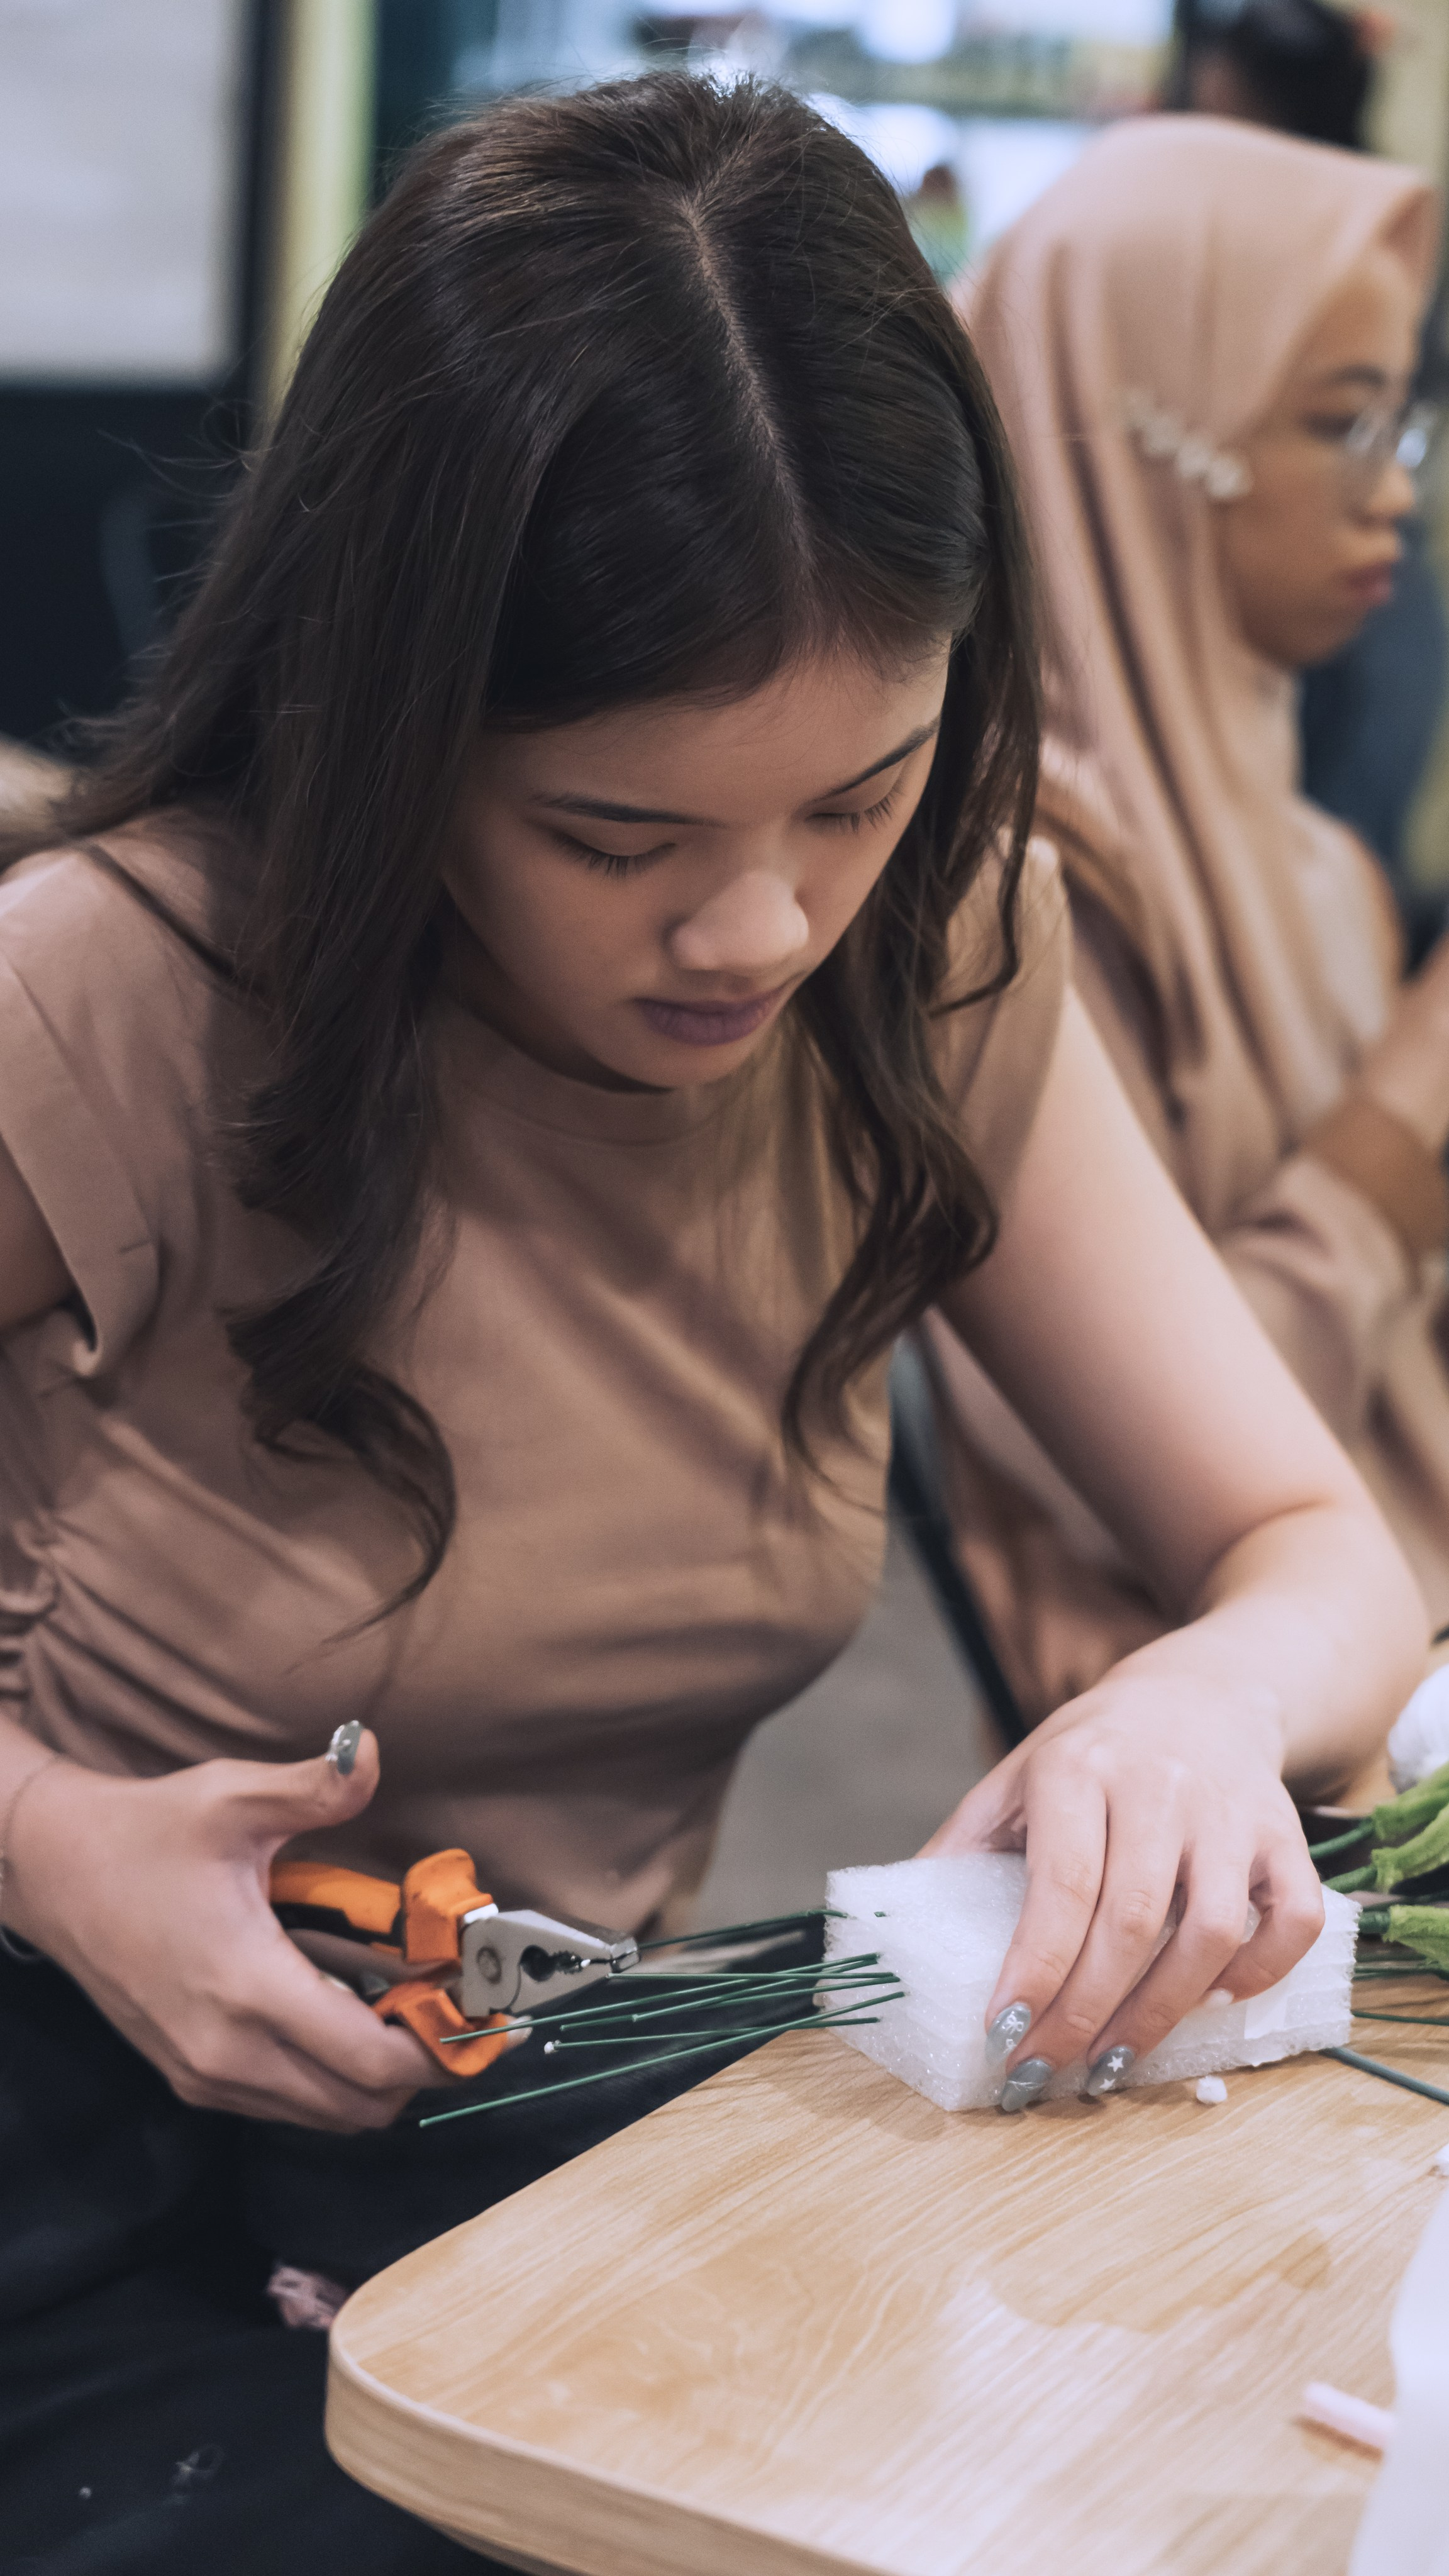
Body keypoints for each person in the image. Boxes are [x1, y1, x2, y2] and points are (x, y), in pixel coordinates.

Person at [0, 74, 1424, 2575]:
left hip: (539, 2113)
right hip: (73, 2167)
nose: (760, 932)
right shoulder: (116, 990)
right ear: (393, 725)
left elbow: (1318, 1545)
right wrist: (61, 1849)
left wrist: (1188, 1706)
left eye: (859, 795)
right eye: (614, 838)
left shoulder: (934, 956)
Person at [921, 113, 1449, 1735]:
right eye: (1340, 427)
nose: (1395, 504)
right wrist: (1405, 1116)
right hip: (1220, 1763)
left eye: (1403, 430)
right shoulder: (1017, 899)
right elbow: (1136, 1466)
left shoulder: (1319, 865)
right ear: (1141, 433)